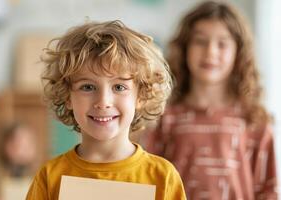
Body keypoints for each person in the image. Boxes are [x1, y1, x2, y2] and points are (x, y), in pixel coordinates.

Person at [26, 20, 186, 200]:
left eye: (119, 87)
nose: (103, 102)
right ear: (67, 96)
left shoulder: (163, 177)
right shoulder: (50, 177)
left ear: (141, 95)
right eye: (87, 87)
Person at [142, 1, 278, 199]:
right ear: (184, 47)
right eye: (200, 41)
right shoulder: (163, 117)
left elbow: (269, 190)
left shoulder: (255, 120)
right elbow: (150, 181)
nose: (210, 52)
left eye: (222, 44)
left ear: (238, 53)